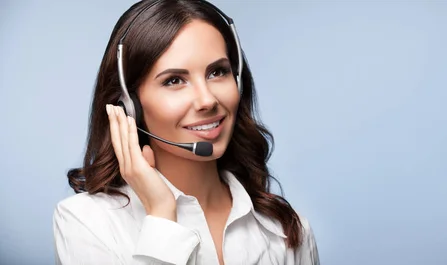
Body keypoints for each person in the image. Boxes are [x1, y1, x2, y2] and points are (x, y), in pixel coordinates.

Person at [52, 0, 320, 264]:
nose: (207, 100)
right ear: (129, 105)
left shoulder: (286, 231)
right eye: (174, 80)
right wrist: (161, 215)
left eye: (217, 72)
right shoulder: (87, 223)